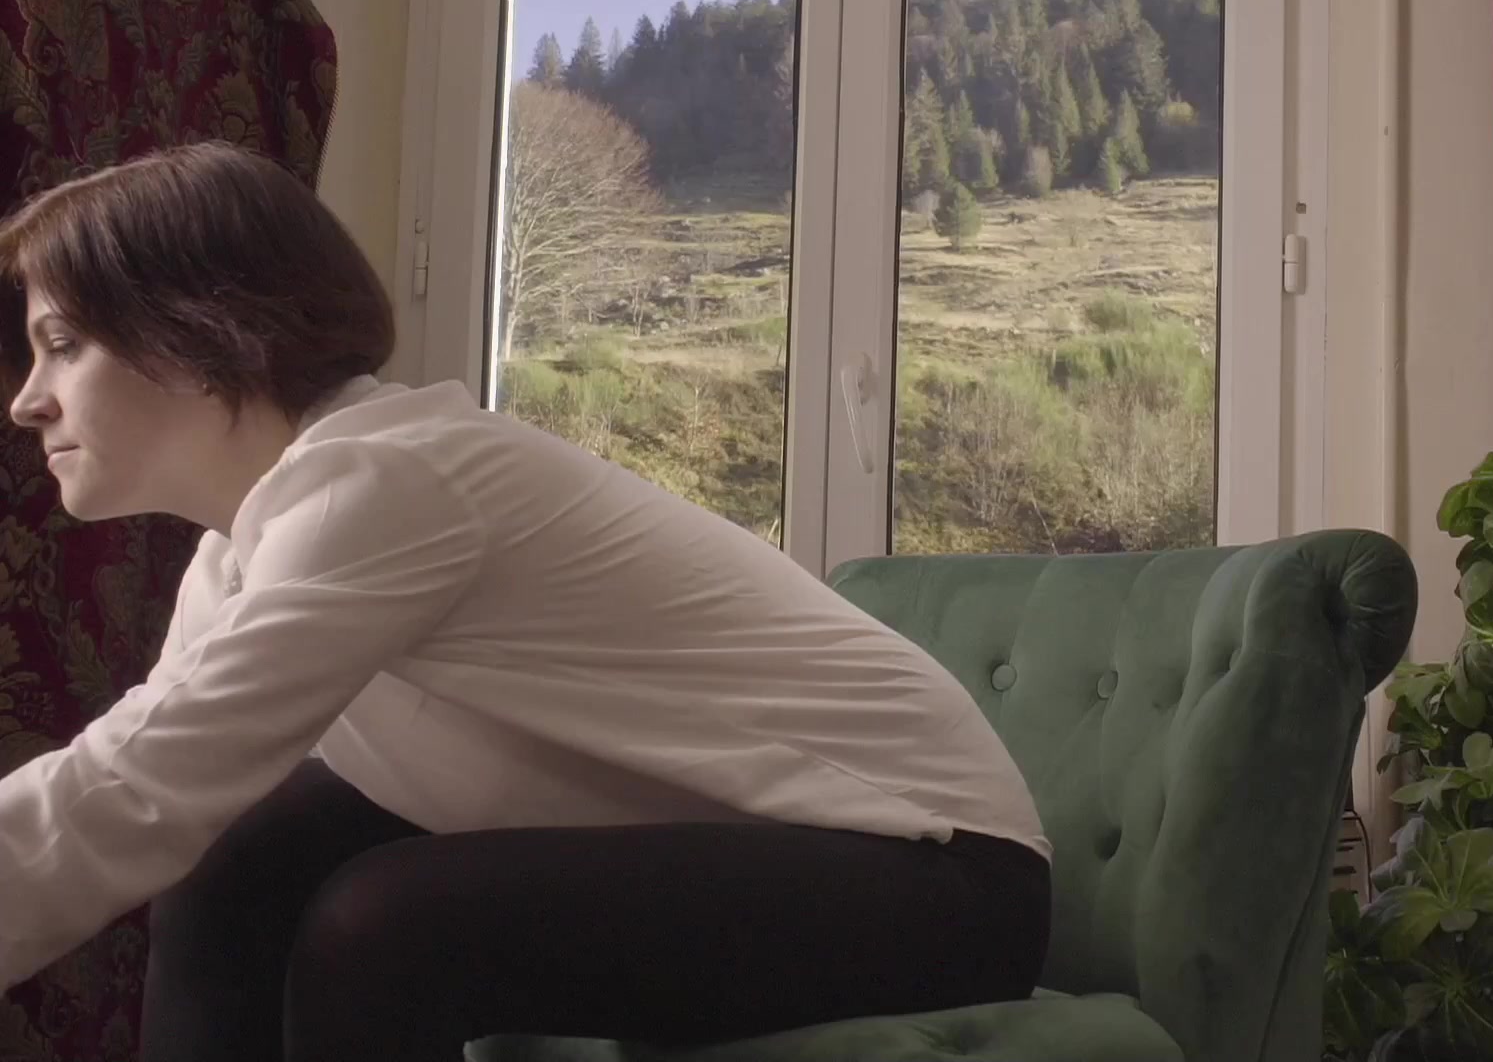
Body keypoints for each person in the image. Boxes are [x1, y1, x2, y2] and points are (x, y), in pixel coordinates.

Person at [0, 141, 1050, 1062]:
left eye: (64, 344)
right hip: (779, 844)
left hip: (940, 876)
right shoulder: (247, 548)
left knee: (386, 923)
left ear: (200, 328)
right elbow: (154, 775)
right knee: (241, 858)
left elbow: (134, 786)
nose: (26, 400)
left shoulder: (390, 480)